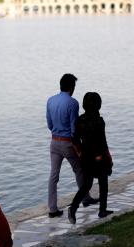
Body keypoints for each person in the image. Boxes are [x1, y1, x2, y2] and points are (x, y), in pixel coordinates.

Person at [46, 73, 99, 218]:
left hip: (54, 142)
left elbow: (50, 124)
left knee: (53, 176)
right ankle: (86, 198)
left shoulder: (50, 101)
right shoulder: (73, 103)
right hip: (67, 143)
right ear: (71, 87)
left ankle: (52, 209)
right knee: (79, 170)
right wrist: (79, 146)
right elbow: (74, 128)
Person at [68, 92, 114, 224]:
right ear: (98, 105)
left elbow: (75, 140)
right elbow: (103, 143)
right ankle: (102, 210)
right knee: (103, 183)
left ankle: (73, 207)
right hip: (99, 157)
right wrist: (109, 159)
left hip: (86, 157)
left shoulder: (79, 120)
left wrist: (81, 153)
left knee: (87, 185)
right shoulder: (99, 121)